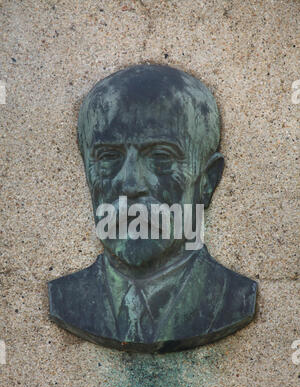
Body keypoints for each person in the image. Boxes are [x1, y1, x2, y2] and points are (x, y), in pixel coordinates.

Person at [48, 65, 257, 352]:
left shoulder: (234, 298)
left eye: (161, 157)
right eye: (108, 157)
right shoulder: (67, 299)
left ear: (207, 182)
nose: (130, 183)